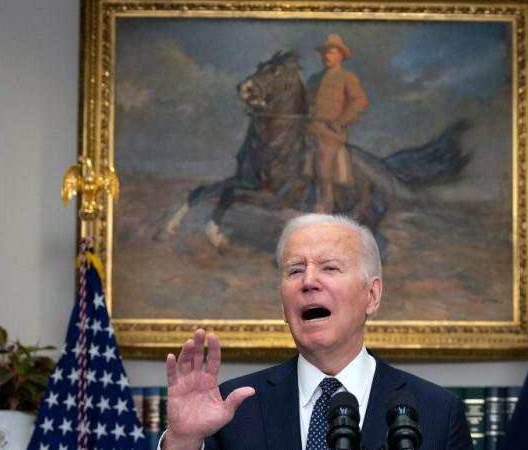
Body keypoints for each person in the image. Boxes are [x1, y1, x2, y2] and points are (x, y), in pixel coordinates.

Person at [161, 214, 472, 450]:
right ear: (283, 306)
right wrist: (183, 441)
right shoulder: (232, 408)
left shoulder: (438, 412)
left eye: (329, 267)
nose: (308, 281)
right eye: (295, 270)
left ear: (372, 295)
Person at [306, 34, 368, 213]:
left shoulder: (347, 77)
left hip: (331, 132)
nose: (327, 56)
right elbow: (307, 103)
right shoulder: (313, 79)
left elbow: (360, 102)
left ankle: (325, 204)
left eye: (332, 52)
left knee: (323, 156)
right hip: (310, 128)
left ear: (341, 55)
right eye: (325, 53)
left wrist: (340, 121)